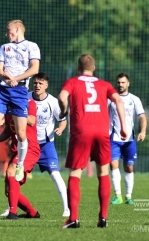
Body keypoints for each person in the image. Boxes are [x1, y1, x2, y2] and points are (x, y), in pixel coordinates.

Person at [58, 54, 127, 228]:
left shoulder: (72, 82)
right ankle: (103, 218)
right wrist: (123, 126)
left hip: (81, 131)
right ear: (94, 68)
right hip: (101, 132)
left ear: (78, 68)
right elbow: (118, 100)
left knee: (75, 174)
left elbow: (61, 97)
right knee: (103, 173)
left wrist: (63, 111)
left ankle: (73, 219)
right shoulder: (104, 84)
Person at [0, 20, 41, 182]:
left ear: (17, 29)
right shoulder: (4, 47)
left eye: (8, 30)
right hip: (2, 89)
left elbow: (34, 69)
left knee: (21, 132)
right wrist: (6, 77)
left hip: (20, 91)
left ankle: (20, 165)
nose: (6, 34)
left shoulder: (32, 46)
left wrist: (15, 78)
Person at [0, 99, 41, 219]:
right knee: (8, 191)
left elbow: (31, 121)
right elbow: (7, 132)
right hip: (16, 152)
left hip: (30, 149)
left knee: (11, 171)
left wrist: (16, 109)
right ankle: (33, 213)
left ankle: (12, 213)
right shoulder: (7, 108)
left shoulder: (29, 103)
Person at [28, 72, 70, 217]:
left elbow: (63, 119)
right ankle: (12, 207)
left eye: (40, 83)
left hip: (46, 145)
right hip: (27, 145)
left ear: (46, 85)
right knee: (15, 175)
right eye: (35, 83)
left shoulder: (52, 101)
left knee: (56, 175)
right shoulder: (26, 98)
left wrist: (61, 128)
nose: (37, 85)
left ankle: (66, 208)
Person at [109, 73, 147, 205]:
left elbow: (142, 117)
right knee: (113, 164)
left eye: (123, 82)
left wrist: (142, 131)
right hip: (113, 138)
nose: (120, 85)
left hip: (130, 139)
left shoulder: (134, 99)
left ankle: (128, 196)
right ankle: (117, 195)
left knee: (129, 167)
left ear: (128, 84)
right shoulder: (110, 99)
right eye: (119, 82)